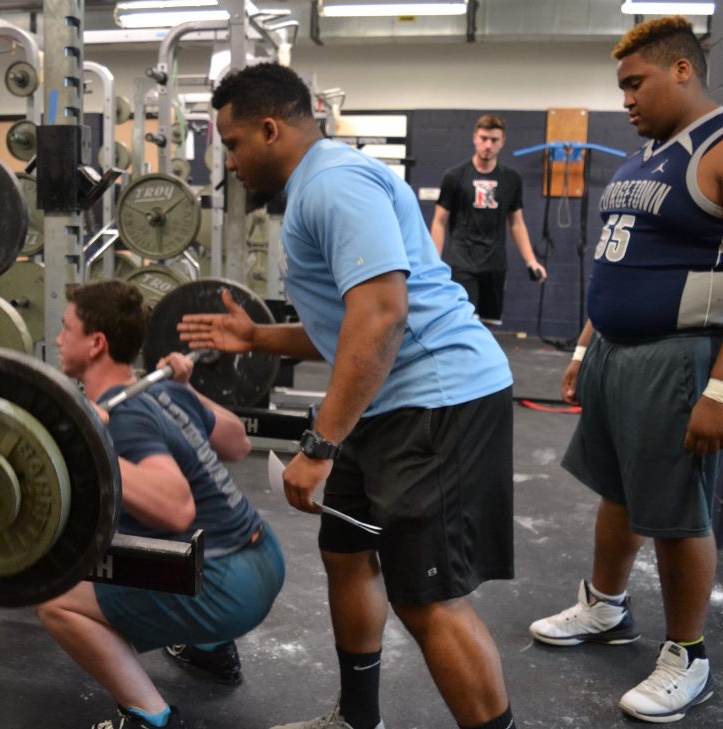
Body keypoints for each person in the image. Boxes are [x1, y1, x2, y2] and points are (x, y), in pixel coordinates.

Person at [179, 63, 518, 729]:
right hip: (383, 402)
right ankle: (358, 719)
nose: (230, 163)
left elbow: (382, 316)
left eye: (233, 144)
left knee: (427, 597)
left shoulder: (332, 183)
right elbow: (347, 326)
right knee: (345, 552)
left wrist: (319, 445)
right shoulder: (316, 185)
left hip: (436, 399)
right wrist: (257, 336)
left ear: (270, 129)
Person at [527, 15, 723, 724]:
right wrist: (584, 350)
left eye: (635, 83)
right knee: (618, 491)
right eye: (621, 87)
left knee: (679, 514)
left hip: (679, 361)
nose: (625, 100)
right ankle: (605, 607)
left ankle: (689, 656)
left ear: (682, 70)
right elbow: (615, 263)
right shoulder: (643, 159)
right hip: (614, 356)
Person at [35, 280, 286, 729]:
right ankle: (209, 650)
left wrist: (91, 444)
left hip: (224, 584)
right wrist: (188, 387)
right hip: (264, 557)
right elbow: (239, 442)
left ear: (96, 343)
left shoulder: (122, 416)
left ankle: (148, 717)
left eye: (66, 328)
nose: (57, 338)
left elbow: (176, 509)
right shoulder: (163, 391)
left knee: (56, 599)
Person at [430, 114, 547, 326]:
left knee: (489, 323)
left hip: (495, 264)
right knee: (464, 322)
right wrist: (434, 262)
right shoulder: (454, 176)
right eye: (484, 138)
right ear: (475, 137)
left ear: (503, 142)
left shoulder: (511, 179)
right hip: (463, 262)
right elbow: (439, 221)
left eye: (494, 140)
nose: (488, 145)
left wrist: (531, 261)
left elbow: (517, 223)